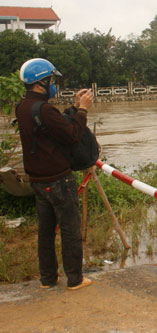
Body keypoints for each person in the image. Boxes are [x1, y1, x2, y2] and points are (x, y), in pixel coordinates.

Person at [16, 58, 94, 291]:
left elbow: (56, 126)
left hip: (38, 181)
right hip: (58, 179)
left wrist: (73, 107)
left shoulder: (22, 107)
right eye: (51, 79)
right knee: (70, 229)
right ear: (41, 82)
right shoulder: (45, 109)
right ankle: (75, 279)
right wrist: (83, 110)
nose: (53, 84)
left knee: (46, 232)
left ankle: (48, 279)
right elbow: (72, 135)